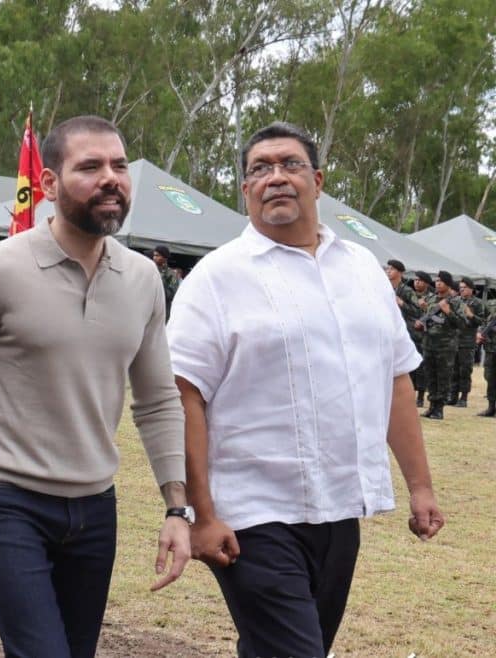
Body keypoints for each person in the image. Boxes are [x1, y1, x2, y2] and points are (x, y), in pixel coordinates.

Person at [0, 115, 190, 658]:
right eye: (90, 166)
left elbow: (156, 402)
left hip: (95, 508)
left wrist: (177, 509)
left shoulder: (143, 279)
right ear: (51, 184)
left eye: (119, 165)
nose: (111, 178)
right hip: (6, 500)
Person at [167, 121, 444, 658]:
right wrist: (201, 512)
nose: (276, 177)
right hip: (253, 513)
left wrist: (421, 487)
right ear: (245, 190)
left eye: (290, 165)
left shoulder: (361, 269)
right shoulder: (217, 277)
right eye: (259, 169)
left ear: (317, 181)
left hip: (340, 509)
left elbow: (395, 381)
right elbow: (184, 396)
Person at [415, 270, 462, 420]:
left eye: (441, 281)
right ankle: (431, 406)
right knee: (430, 376)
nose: (438, 283)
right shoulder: (431, 299)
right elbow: (427, 321)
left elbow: (462, 323)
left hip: (446, 346)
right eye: (436, 281)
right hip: (429, 344)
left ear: (448, 285)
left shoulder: (455, 302)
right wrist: (421, 324)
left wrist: (448, 312)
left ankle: (439, 408)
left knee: (443, 377)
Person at [450, 277, 486, 407]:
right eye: (460, 288)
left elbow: (483, 321)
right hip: (454, 340)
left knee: (465, 370)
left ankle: (463, 398)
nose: (461, 290)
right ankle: (452, 396)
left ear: (471, 289)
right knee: (454, 369)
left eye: (464, 287)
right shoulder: (455, 301)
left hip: (467, 341)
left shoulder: (477, 303)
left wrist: (471, 315)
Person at [410, 271, 436, 406]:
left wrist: (426, 308)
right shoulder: (410, 295)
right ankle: (410, 395)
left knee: (421, 367)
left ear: (426, 283)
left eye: (419, 280)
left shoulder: (432, 298)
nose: (416, 282)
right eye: (415, 280)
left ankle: (420, 396)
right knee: (409, 367)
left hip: (424, 337)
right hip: (409, 336)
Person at [477, 308, 496, 417]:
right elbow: (484, 322)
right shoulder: (492, 307)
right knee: (490, 377)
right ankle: (491, 407)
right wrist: (480, 332)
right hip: (490, 349)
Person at [152, 245, 179, 320]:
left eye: (157, 255)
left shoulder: (171, 274)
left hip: (163, 312)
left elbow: (172, 294)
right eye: (154, 255)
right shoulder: (151, 270)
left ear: (164, 258)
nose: (154, 258)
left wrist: (162, 281)